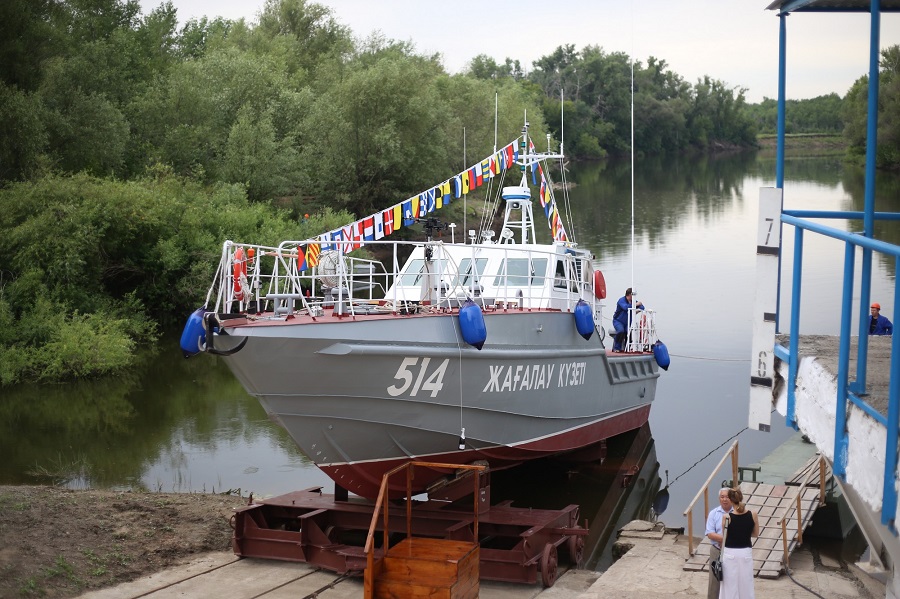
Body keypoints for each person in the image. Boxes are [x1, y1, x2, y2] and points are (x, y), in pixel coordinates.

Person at [720, 487, 759, 599]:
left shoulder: (726, 517)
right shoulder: (753, 514)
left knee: (729, 586)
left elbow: (725, 536)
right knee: (746, 585)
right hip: (745, 552)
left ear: (731, 501)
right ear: (741, 498)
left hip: (730, 553)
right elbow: (755, 534)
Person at [705, 487, 732, 599]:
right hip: (717, 550)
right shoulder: (713, 513)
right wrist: (723, 539)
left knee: (731, 580)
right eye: (722, 497)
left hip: (732, 551)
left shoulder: (736, 513)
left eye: (727, 497)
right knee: (714, 581)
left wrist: (725, 541)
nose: (725, 499)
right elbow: (710, 533)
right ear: (719, 498)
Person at [612, 287, 643, 352]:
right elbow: (625, 307)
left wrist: (637, 310)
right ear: (629, 295)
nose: (634, 297)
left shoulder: (633, 301)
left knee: (629, 333)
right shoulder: (621, 300)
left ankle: (627, 348)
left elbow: (642, 307)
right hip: (618, 321)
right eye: (633, 295)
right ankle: (617, 347)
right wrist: (635, 305)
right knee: (621, 331)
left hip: (628, 321)